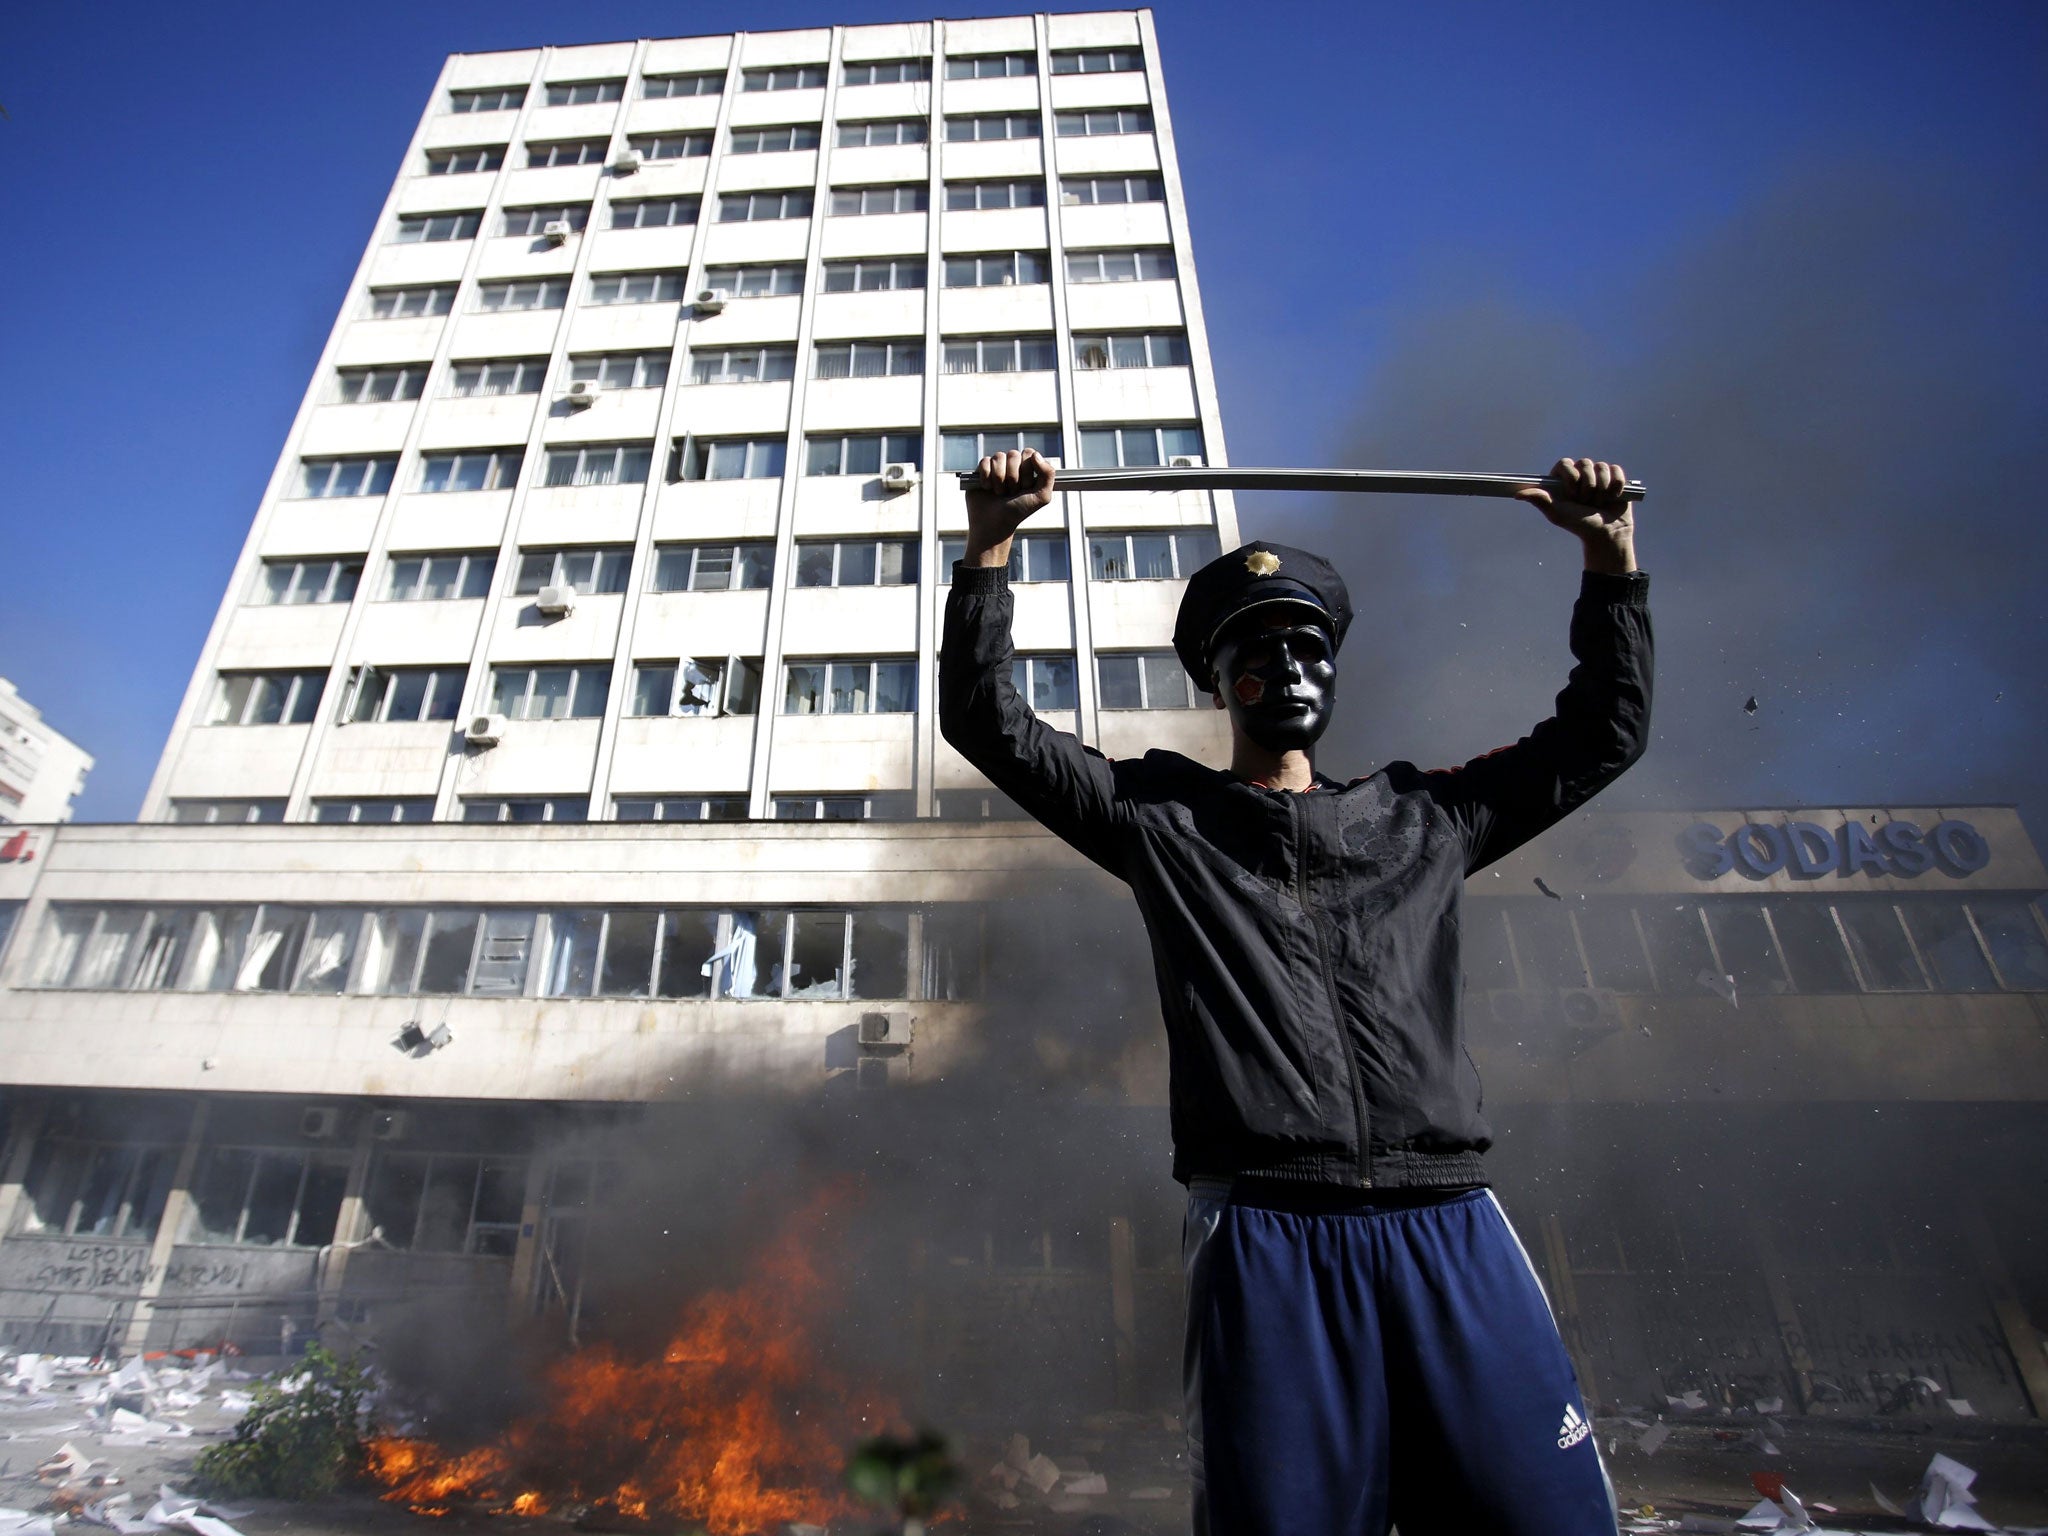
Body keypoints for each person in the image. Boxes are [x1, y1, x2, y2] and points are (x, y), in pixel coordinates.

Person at [938, 451, 1652, 1536]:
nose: (1290, 664)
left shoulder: (1425, 818)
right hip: (1266, 1233)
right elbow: (987, 722)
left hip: (1446, 1220)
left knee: (1543, 1515)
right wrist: (991, 543)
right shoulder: (1159, 821)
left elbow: (1602, 730)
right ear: (1219, 683)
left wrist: (1609, 559)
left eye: (1310, 643)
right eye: (1258, 648)